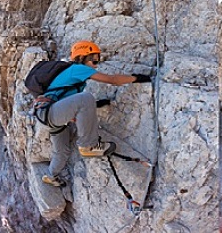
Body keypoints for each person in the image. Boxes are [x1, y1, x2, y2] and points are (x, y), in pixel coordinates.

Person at [38, 40, 151, 187]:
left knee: (62, 151)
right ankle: (88, 146)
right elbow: (113, 80)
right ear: (83, 57)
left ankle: (50, 175)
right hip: (50, 112)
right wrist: (137, 78)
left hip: (46, 114)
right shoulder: (78, 68)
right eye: (95, 59)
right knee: (86, 97)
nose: (97, 64)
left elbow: (68, 103)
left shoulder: (72, 74)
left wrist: (94, 106)